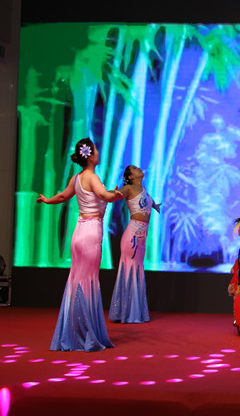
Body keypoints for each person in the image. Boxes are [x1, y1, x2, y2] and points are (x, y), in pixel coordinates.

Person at [37, 138, 123, 351]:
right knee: (87, 282)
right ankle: (86, 334)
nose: (98, 153)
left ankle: (73, 332)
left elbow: (62, 196)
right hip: (91, 232)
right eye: (96, 150)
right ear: (91, 156)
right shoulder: (92, 177)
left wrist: (47, 200)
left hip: (79, 233)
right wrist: (116, 195)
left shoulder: (76, 178)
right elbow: (103, 195)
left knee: (77, 281)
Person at [109, 165, 160, 323]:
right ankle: (127, 312)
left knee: (137, 269)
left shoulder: (144, 190)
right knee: (130, 269)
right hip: (132, 235)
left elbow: (148, 201)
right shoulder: (128, 188)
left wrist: (155, 206)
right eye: (135, 169)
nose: (139, 169)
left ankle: (134, 311)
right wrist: (112, 193)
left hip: (142, 235)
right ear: (130, 177)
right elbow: (116, 195)